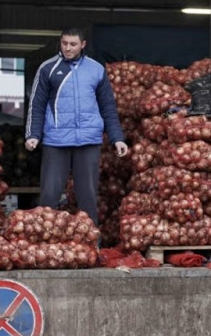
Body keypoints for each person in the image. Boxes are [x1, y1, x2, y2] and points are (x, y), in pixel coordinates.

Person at [24, 28, 128, 226]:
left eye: (73, 44)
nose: (68, 48)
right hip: (56, 140)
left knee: (88, 195)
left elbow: (108, 107)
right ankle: (43, 242)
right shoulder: (48, 68)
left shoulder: (96, 69)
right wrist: (33, 134)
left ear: (83, 44)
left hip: (88, 141)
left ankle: (91, 242)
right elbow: (36, 104)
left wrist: (117, 138)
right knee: (50, 194)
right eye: (64, 43)